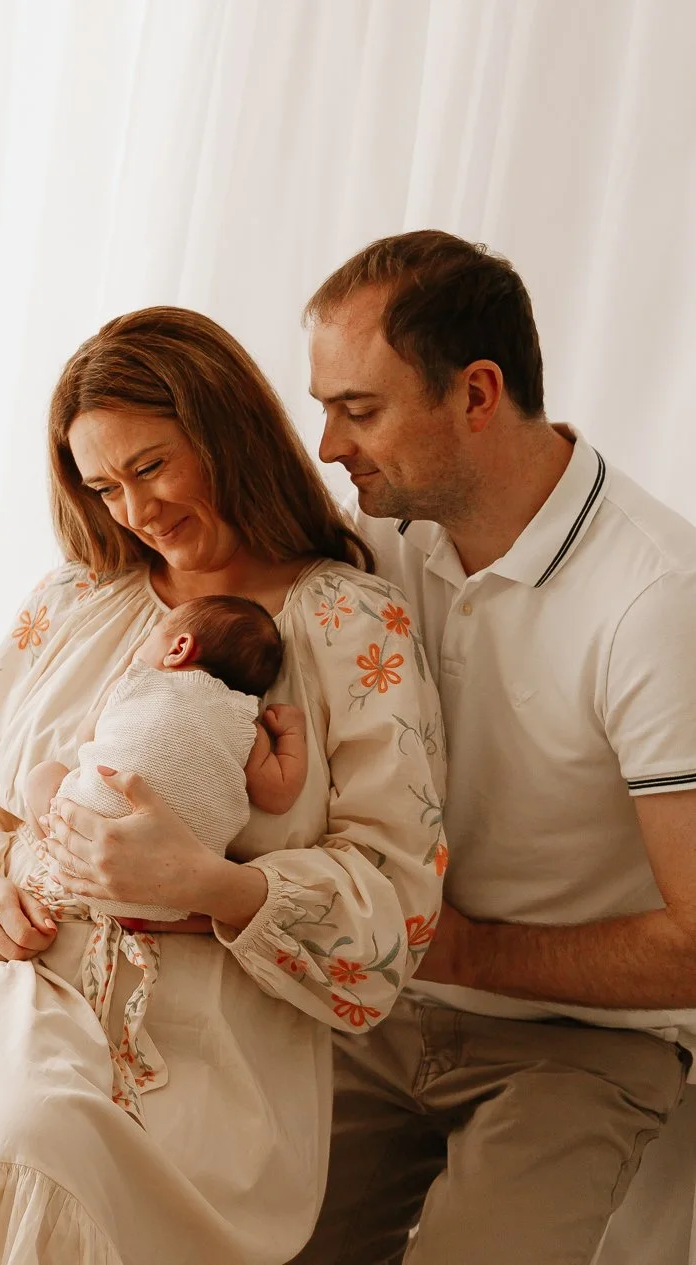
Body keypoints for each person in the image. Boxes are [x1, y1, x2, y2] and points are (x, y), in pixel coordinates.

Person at [0, 306, 447, 1265]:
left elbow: (393, 914)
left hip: (204, 1057)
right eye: (101, 485)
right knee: (24, 1130)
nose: (134, 512)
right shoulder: (72, 602)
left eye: (150, 468)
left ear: (228, 438)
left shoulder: (349, 624)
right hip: (12, 994)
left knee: (52, 1144)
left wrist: (207, 882)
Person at [291, 229, 696, 1264]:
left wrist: (458, 945)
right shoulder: (383, 538)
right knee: (215, 1231)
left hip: (584, 1043)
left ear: (477, 392)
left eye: (358, 408)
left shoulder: (654, 601)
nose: (331, 445)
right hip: (386, 1013)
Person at [14, 595, 307, 1119]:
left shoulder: (137, 681)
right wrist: (292, 736)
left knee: (43, 776)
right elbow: (280, 794)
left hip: (80, 850)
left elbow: (88, 739)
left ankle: (50, 843)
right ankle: (166, 918)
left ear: (178, 648)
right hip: (171, 897)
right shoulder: (247, 722)